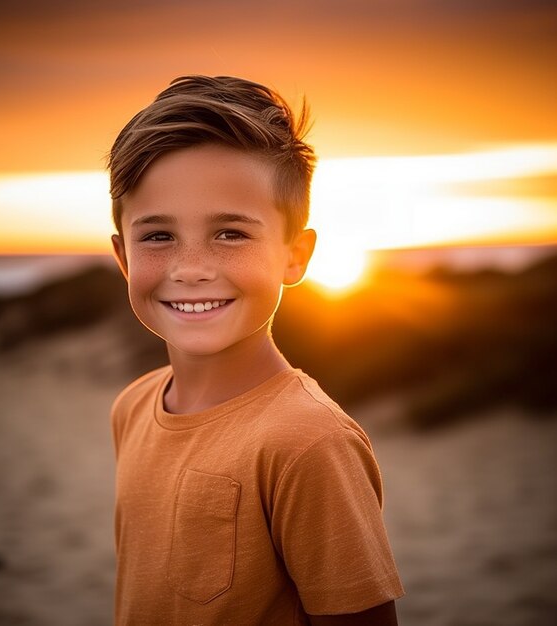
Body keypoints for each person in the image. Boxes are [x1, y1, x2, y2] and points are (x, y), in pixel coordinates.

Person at [107, 75, 404, 625]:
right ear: (124, 257)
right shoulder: (131, 407)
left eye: (230, 234)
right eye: (158, 236)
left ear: (295, 255)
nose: (191, 269)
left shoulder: (309, 443)